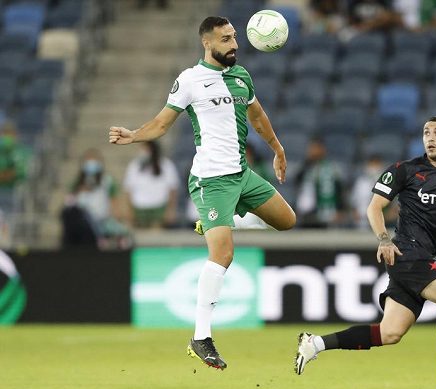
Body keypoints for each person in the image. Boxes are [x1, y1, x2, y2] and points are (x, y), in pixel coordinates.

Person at [109, 16, 296, 370]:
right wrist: (133, 135)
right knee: (223, 255)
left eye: (235, 37)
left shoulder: (242, 77)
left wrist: (277, 149)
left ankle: (218, 224)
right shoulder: (189, 80)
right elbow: (163, 122)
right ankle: (201, 336)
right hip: (211, 180)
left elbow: (257, 116)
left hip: (242, 174)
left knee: (287, 220)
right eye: (226, 39)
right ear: (207, 44)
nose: (235, 44)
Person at [294, 116, 436, 389]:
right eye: (427, 132)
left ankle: (315, 344)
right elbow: (374, 208)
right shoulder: (404, 170)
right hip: (407, 252)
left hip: (419, 256)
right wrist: (383, 239)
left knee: (389, 333)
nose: (431, 137)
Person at [61, 148, 129, 249]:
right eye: (88, 160)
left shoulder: (107, 181)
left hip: (104, 220)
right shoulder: (76, 184)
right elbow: (68, 204)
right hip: (83, 223)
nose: (91, 164)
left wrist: (117, 218)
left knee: (122, 234)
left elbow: (114, 202)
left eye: (94, 160)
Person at [123, 141, 179, 229]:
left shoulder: (166, 165)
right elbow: (128, 189)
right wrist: (129, 211)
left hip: (159, 207)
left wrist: (170, 210)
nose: (142, 152)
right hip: (139, 208)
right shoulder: (134, 165)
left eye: (145, 149)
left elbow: (172, 190)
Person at [295, 139, 346, 228]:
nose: (314, 151)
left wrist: (340, 209)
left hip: (326, 211)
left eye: (316, 148)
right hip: (306, 212)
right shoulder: (306, 167)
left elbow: (338, 189)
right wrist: (308, 161)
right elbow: (297, 180)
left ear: (323, 150)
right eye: (312, 149)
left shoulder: (331, 168)